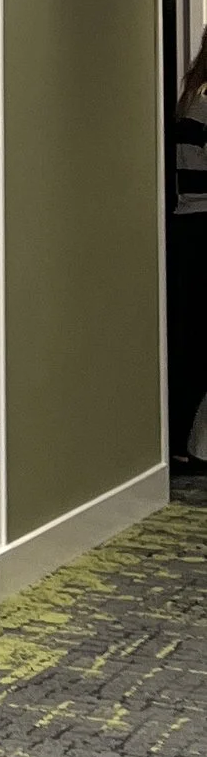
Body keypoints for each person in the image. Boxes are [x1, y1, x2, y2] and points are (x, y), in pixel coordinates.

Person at [169, 33, 207, 463]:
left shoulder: (192, 98)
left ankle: (184, 442)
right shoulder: (202, 102)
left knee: (195, 340)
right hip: (200, 225)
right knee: (196, 343)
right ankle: (181, 444)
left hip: (192, 225)